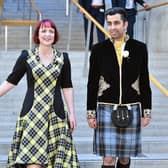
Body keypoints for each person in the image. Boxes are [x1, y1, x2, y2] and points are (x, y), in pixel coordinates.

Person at [0, 19, 80, 168]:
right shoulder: (27, 56)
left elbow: (67, 86)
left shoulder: (63, 58)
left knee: (54, 162)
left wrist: (72, 113)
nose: (47, 34)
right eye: (44, 31)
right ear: (37, 35)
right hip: (32, 115)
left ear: (55, 35)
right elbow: (11, 81)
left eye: (51, 31)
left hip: (56, 115)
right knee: (33, 163)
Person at [86, 7, 152, 168]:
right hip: (106, 108)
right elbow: (92, 83)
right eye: (109, 23)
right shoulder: (98, 50)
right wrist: (90, 113)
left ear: (125, 24)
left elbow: (144, 81)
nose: (112, 27)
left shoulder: (139, 48)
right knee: (108, 159)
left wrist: (147, 111)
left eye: (116, 23)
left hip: (132, 108)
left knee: (124, 158)